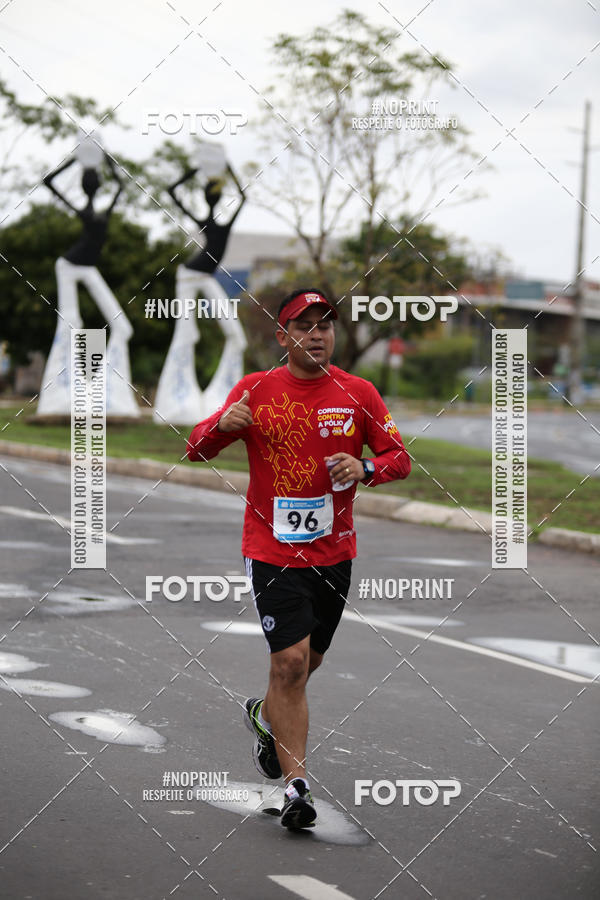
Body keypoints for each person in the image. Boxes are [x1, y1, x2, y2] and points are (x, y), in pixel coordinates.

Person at [186, 288, 411, 829]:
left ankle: (264, 717)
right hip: (270, 551)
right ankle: (296, 788)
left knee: (307, 664)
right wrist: (223, 427)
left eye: (325, 324)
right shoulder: (256, 389)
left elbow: (399, 458)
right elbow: (195, 447)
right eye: (303, 325)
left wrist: (366, 469)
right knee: (288, 664)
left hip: (334, 553)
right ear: (282, 336)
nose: (317, 334)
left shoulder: (357, 392)